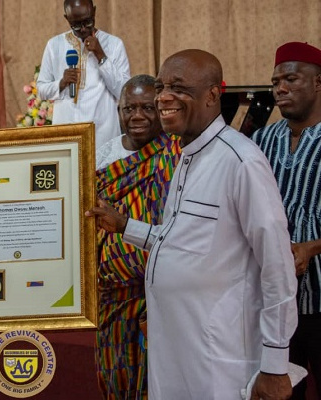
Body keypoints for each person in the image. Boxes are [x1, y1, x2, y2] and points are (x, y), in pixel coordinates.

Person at [86, 49, 298, 399]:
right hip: (173, 351)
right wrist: (125, 225)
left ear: (214, 94)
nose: (164, 97)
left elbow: (277, 266)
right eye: (162, 86)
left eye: (179, 88)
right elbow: (180, 242)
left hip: (219, 358)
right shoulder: (185, 157)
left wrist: (275, 365)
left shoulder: (240, 161)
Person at [93, 75, 181, 399]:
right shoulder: (103, 157)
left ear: (160, 109)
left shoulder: (177, 152)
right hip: (113, 295)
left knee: (161, 379)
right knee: (117, 373)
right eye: (130, 108)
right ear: (119, 110)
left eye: (147, 107)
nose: (138, 116)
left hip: (166, 292)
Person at [251, 41, 321, 400]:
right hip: (275, 301)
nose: (279, 88)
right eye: (275, 81)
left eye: (291, 79)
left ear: (318, 83)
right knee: (279, 391)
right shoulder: (261, 141)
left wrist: (313, 246)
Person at [36, 0, 130, 150]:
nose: (83, 29)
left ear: (94, 12)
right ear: (67, 18)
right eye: (76, 25)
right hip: (66, 132)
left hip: (102, 132)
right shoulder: (54, 45)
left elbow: (123, 92)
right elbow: (41, 91)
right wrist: (61, 83)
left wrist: (101, 55)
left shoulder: (114, 44)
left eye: (88, 22)